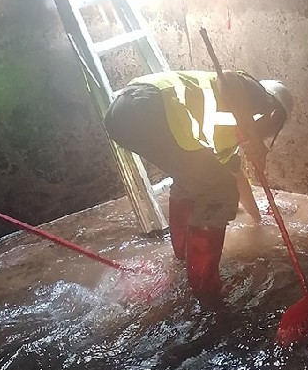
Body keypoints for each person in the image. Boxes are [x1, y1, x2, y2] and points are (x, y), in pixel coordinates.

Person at [104, 68, 293, 296]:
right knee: (218, 191)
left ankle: (184, 260)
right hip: (148, 106)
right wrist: (253, 133)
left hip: (122, 114)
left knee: (194, 180)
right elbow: (230, 79)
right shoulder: (259, 97)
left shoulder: (226, 135)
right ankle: (203, 286)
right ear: (274, 115)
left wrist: (258, 219)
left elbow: (235, 178)